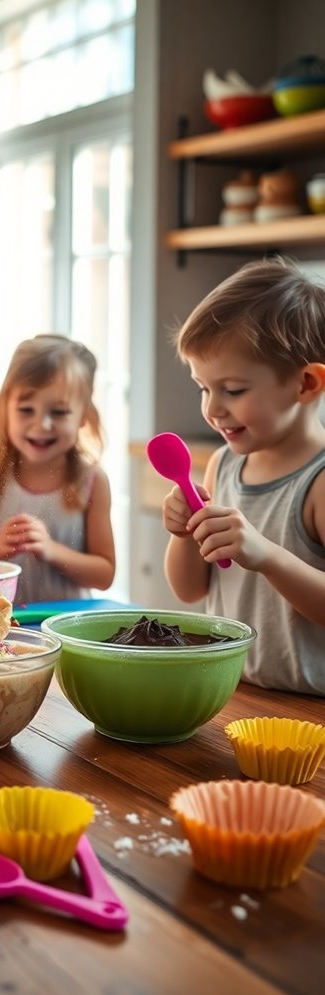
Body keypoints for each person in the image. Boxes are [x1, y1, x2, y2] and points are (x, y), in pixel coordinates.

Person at [160, 256, 325, 695]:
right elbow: (189, 590)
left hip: (309, 710)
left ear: (306, 384)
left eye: (232, 390)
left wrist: (267, 556)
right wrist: (183, 533)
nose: (213, 408)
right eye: (204, 388)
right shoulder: (223, 466)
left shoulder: (319, 483)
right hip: (231, 692)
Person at [0, 334, 115, 605]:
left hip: (66, 627)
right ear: (6, 409)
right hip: (1, 628)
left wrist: (51, 551)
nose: (42, 425)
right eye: (26, 410)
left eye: (59, 412)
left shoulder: (93, 481)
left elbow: (104, 574)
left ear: (84, 414)